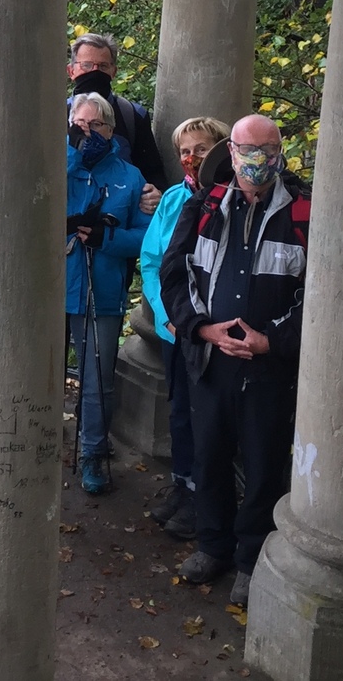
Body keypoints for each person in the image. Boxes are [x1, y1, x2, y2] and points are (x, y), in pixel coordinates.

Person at [161, 114, 309, 608]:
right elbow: (174, 274)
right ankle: (212, 546)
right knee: (210, 455)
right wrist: (201, 328)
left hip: (270, 368)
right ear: (231, 151)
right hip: (211, 359)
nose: (257, 161)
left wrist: (273, 341)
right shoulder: (204, 206)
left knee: (265, 464)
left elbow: (322, 294)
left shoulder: (306, 212)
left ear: (281, 152)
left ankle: (250, 561)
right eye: (247, 150)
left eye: (267, 150)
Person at [137, 116, 231, 541]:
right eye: (184, 151)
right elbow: (152, 261)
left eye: (200, 149)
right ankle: (183, 484)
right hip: (175, 327)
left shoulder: (232, 197)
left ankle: (204, 499)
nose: (191, 158)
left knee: (207, 415)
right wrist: (166, 313)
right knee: (179, 411)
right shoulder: (174, 197)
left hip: (212, 329)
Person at [66, 91, 151, 495]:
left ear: (111, 129)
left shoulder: (130, 177)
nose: (87, 133)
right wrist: (69, 153)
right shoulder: (56, 163)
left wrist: (106, 237)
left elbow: (146, 239)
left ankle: (94, 451)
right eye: (79, 125)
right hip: (52, 285)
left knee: (97, 377)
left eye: (95, 125)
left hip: (101, 287)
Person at [68, 32, 166, 213]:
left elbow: (153, 172)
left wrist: (155, 193)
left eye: (103, 66)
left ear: (114, 71)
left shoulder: (132, 115)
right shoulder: (52, 118)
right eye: (87, 65)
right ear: (71, 70)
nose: (95, 72)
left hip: (117, 224)